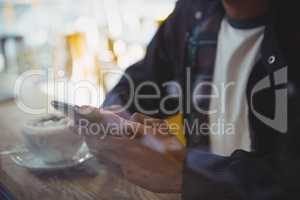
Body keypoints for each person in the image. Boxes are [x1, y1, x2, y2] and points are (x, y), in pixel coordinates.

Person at [74, 0, 300, 199]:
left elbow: (289, 178)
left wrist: (186, 174)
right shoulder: (193, 11)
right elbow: (144, 80)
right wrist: (115, 116)